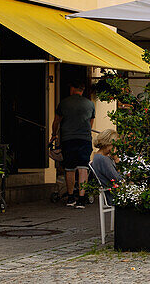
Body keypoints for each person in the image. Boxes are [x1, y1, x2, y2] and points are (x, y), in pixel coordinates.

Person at [51, 79, 95, 209]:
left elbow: (56, 121)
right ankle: (81, 199)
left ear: (72, 89)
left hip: (68, 138)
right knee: (83, 168)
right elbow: (91, 123)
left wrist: (54, 134)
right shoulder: (90, 104)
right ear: (82, 90)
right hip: (85, 139)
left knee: (69, 168)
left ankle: (70, 198)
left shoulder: (64, 103)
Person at [90, 129, 121, 202]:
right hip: (114, 194)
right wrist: (117, 160)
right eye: (114, 144)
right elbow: (117, 179)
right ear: (108, 143)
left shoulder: (100, 156)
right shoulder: (103, 159)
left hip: (112, 191)